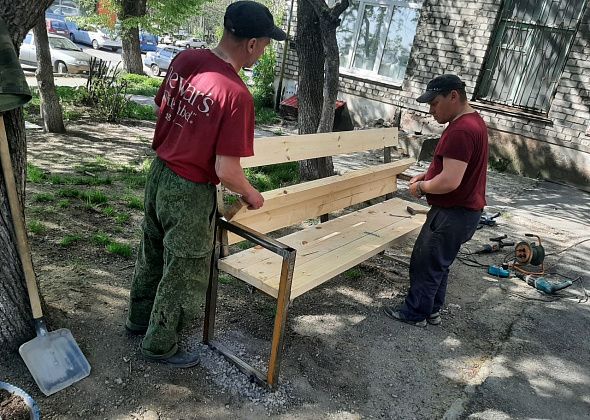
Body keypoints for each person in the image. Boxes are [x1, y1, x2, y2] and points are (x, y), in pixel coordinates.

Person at [125, 1, 286, 367]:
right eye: (265, 44)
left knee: (152, 250)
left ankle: (138, 320)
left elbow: (161, 109)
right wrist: (250, 193)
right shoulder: (236, 94)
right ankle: (161, 344)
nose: (264, 50)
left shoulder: (186, 60)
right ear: (251, 44)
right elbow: (227, 170)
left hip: (160, 173)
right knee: (184, 270)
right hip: (189, 190)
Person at [383, 74, 488, 327]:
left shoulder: (461, 130)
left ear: (454, 96)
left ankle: (415, 314)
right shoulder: (473, 122)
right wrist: (428, 174)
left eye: (434, 103)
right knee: (438, 263)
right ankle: (432, 311)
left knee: (425, 262)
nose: (431, 111)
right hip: (464, 213)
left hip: (452, 213)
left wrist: (422, 186)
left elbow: (450, 181)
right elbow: (453, 169)